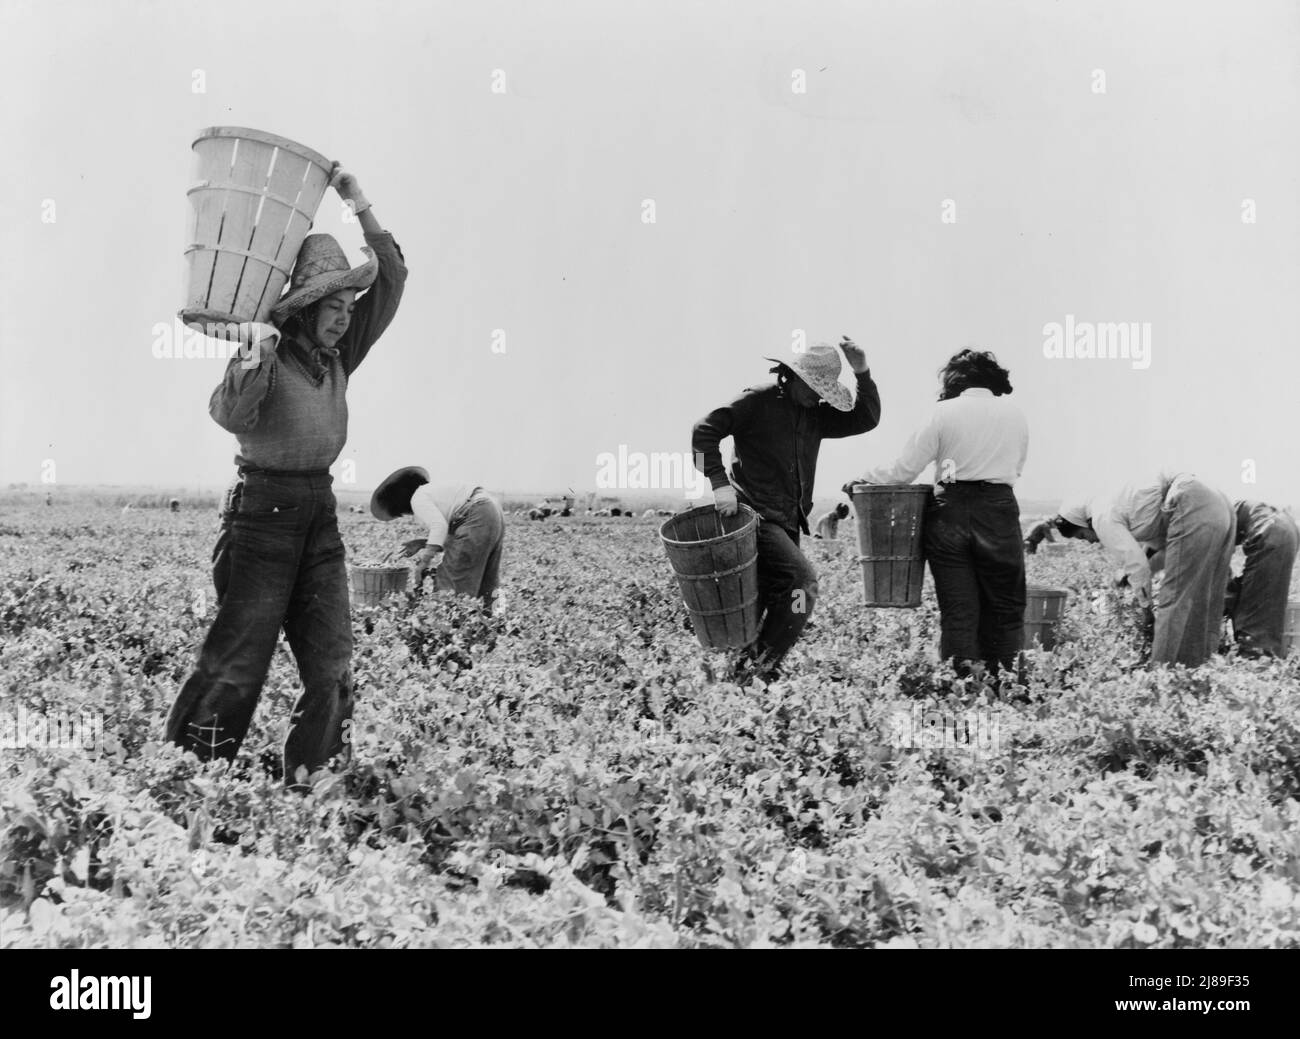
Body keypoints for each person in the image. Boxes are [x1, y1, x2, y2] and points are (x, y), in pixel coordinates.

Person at [166, 165, 407, 783]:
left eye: (349, 305)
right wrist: (254, 356)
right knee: (240, 660)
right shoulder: (267, 352)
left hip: (317, 516)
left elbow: (393, 278)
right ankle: (185, 779)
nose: (346, 317)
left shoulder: (339, 356)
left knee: (332, 662)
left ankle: (312, 787)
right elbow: (228, 415)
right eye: (334, 306)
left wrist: (358, 201)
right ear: (304, 311)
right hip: (261, 516)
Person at [692, 338, 881, 681]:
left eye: (823, 391)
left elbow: (866, 418)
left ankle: (739, 679)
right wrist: (719, 483)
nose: (819, 397)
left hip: (788, 523)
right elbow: (704, 432)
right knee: (802, 586)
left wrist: (862, 371)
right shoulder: (757, 401)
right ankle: (759, 670)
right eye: (814, 388)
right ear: (792, 377)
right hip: (754, 518)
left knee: (768, 597)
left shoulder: (815, 416)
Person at [847, 349, 1028, 677]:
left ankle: (961, 688)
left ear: (955, 381)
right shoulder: (1015, 415)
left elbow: (903, 470)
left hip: (950, 513)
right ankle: (1008, 685)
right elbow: (1016, 467)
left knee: (959, 610)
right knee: (1005, 607)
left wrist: (865, 478)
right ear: (992, 380)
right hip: (998, 511)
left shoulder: (942, 413)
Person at [1053, 472, 1235, 667]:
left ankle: (1163, 673)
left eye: (1082, 535)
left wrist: (1145, 609)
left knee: (1174, 597)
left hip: (1190, 500)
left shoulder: (1100, 516)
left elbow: (1137, 566)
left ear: (1082, 522)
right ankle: (1203, 666)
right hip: (1218, 502)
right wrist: (1131, 575)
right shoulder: (1116, 501)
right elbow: (1164, 550)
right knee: (1208, 595)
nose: (1089, 541)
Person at [370, 466, 505, 607]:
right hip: (491, 510)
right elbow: (455, 539)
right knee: (488, 583)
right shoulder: (435, 493)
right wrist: (421, 543)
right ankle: (495, 621)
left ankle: (451, 622)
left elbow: (439, 527)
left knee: (450, 585)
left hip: (475, 514)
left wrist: (424, 562)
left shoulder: (418, 498)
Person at [1224, 499, 1299, 658]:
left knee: (1253, 604)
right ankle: (1262, 652)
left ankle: (1253, 654)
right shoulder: (1251, 509)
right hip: (1289, 530)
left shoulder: (1229, 516)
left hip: (1268, 532)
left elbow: (1221, 562)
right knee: (1269, 597)